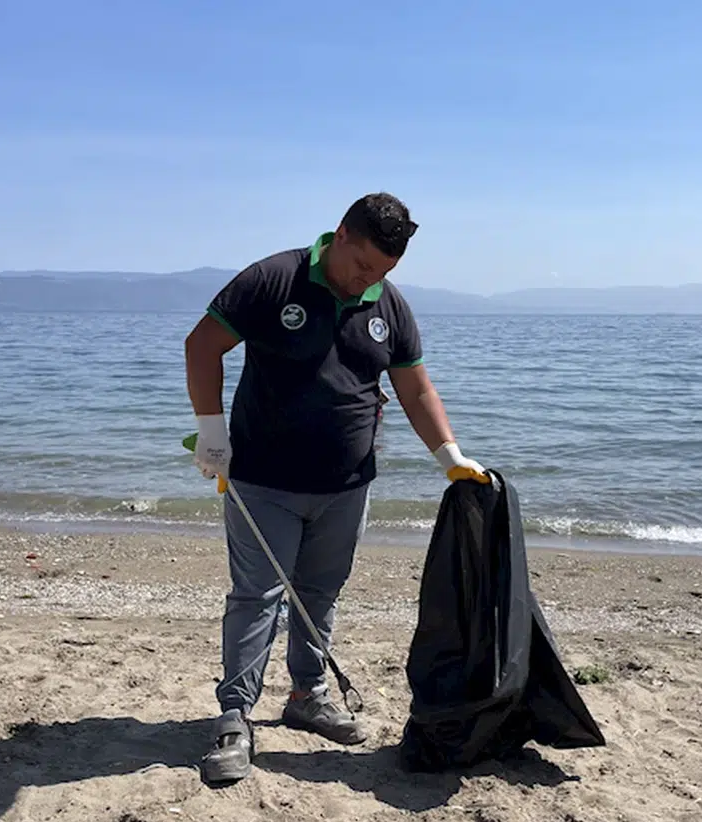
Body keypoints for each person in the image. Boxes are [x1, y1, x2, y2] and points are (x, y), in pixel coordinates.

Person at [184, 192, 487, 785]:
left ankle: (307, 695)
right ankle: (234, 716)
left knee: (320, 591)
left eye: (383, 273)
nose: (367, 281)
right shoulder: (274, 279)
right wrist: (211, 433)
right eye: (363, 266)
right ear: (341, 235)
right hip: (262, 480)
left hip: (347, 485)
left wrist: (449, 454)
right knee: (259, 596)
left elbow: (415, 389)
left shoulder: (388, 305)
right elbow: (203, 346)